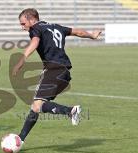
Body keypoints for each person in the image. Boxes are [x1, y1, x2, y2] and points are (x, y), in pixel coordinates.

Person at [13, 8, 101, 144]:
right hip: (65, 73)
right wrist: (92, 36)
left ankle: (70, 111)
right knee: (37, 105)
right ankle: (21, 138)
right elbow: (77, 32)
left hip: (53, 70)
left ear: (31, 19)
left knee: (37, 105)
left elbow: (35, 42)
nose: (22, 27)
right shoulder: (56, 26)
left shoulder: (35, 29)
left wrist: (22, 59)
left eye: (23, 24)